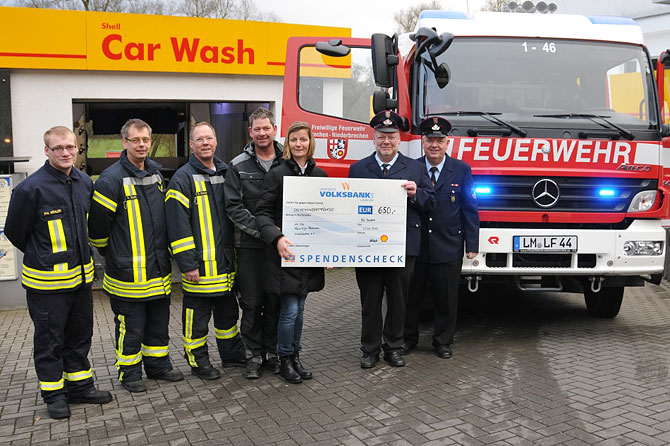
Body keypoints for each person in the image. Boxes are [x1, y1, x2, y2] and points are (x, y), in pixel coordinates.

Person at [5, 126, 112, 419]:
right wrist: (42, 256)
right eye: (58, 149)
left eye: (70, 147)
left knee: (80, 337)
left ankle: (80, 388)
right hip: (47, 284)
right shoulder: (31, 188)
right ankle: (54, 395)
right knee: (50, 340)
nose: (65, 153)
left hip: (80, 282)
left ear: (77, 149)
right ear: (47, 151)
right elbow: (16, 232)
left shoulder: (83, 182)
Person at [88, 118, 183, 393]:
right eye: (135, 140)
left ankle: (158, 367)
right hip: (127, 275)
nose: (141, 144)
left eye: (145, 140)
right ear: (124, 142)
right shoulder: (110, 180)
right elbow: (97, 232)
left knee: (158, 324)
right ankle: (129, 374)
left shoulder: (156, 174)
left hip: (158, 271)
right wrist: (115, 254)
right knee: (131, 329)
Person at [348, 111, 436, 369]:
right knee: (370, 300)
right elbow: (348, 207)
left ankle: (394, 347)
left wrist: (415, 194)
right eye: (381, 136)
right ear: (373, 138)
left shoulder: (416, 168)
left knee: (399, 300)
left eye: (392, 137)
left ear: (399, 139)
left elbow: (431, 203)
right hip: (367, 247)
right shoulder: (358, 168)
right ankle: (370, 349)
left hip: (402, 246)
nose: (386, 141)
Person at [165, 122, 245, 380]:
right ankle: (199, 362)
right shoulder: (182, 178)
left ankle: (232, 356)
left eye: (209, 138)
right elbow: (177, 226)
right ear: (191, 144)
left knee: (228, 318)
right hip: (199, 269)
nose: (205, 143)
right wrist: (187, 264)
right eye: (199, 139)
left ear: (216, 141)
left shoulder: (226, 171)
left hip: (224, 267)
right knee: (196, 321)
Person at [255, 121, 327, 384]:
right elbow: (261, 213)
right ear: (288, 144)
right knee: (289, 310)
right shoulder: (277, 174)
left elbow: (327, 217)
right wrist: (277, 238)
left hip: (309, 256)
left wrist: (330, 252)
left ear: (311, 142)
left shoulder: (320, 176)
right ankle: (285, 358)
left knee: (301, 308)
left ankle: (295, 356)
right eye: (294, 140)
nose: (299, 144)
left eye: (304, 140)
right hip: (286, 254)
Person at [404, 117, 479, 359]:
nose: (434, 145)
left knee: (446, 298)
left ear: (448, 143)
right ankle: (408, 339)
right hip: (416, 245)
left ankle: (443, 341)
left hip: (448, 244)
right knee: (412, 297)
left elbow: (469, 207)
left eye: (440, 140)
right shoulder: (411, 168)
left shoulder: (461, 169)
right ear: (422, 142)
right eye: (429, 140)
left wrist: (472, 244)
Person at [224, 108, 284, 379]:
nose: (262, 133)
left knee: (275, 301)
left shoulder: (289, 161)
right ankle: (253, 356)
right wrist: (267, 231)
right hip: (249, 245)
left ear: (274, 129)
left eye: (266, 128)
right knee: (251, 302)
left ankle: (271, 353)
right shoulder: (237, 165)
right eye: (256, 129)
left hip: (281, 247)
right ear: (250, 132)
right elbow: (234, 208)